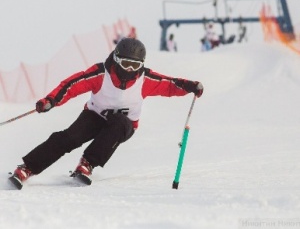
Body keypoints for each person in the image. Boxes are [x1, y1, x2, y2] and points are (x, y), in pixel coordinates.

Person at [10, 38, 203, 188]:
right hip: (94, 116)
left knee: (120, 122)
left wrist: (190, 86)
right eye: (126, 63)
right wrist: (51, 101)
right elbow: (71, 85)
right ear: (117, 59)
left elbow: (170, 85)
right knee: (69, 138)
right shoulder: (100, 74)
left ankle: (87, 164)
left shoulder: (145, 79)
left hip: (122, 126)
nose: (129, 69)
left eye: (135, 65)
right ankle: (27, 168)